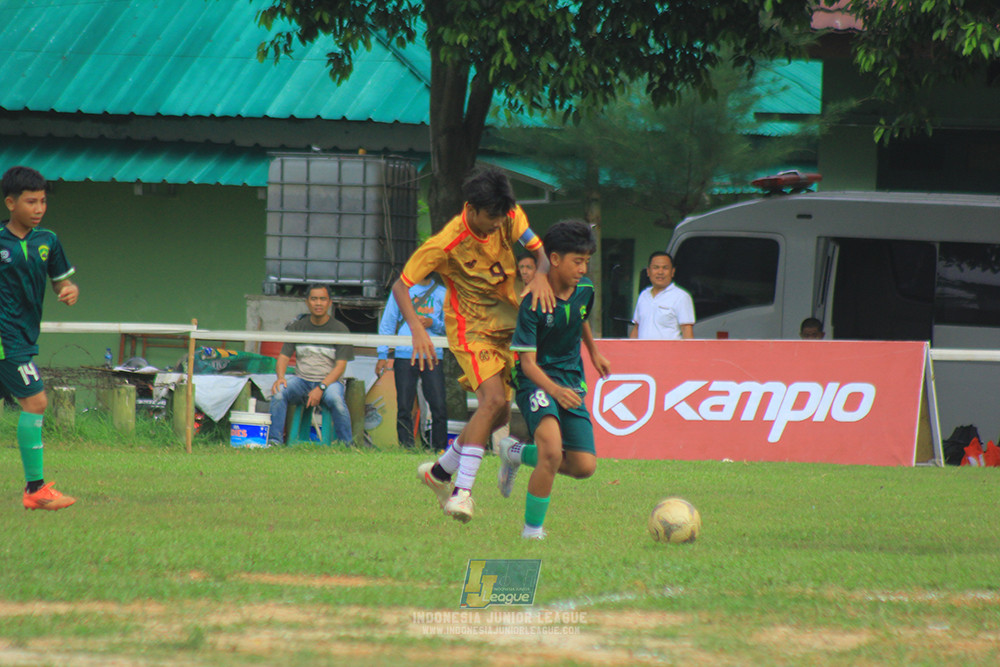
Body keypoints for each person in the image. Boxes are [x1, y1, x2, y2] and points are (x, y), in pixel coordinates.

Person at [393, 168, 554, 523]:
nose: (497, 227)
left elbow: (540, 254)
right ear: (471, 208)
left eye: (501, 220)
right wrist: (417, 329)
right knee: (494, 401)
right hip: (470, 327)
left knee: (496, 411)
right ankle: (462, 493)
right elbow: (400, 286)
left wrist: (540, 276)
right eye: (489, 220)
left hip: (510, 323)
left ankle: (439, 473)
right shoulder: (445, 243)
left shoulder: (510, 216)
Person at [497, 220, 611, 539]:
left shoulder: (585, 290)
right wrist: (555, 391)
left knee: (584, 466)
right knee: (550, 451)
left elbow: (581, 319)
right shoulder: (533, 300)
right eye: (578, 261)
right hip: (536, 381)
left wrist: (593, 353)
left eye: (587, 261)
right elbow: (527, 364)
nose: (583, 268)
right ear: (556, 259)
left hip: (570, 380)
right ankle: (532, 531)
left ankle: (515, 453)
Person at [1, 166, 79, 510]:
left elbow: (61, 281)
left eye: (43, 201)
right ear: (10, 203)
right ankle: (35, 490)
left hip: (24, 336)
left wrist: (69, 290)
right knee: (36, 403)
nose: (38, 208)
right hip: (7, 338)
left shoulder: (48, 240)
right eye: (31, 201)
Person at [269, 284, 354, 444]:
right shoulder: (297, 327)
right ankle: (274, 442)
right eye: (314, 299)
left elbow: (340, 367)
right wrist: (280, 378)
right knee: (279, 393)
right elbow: (283, 357)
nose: (318, 303)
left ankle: (347, 446)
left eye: (323, 299)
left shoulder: (340, 330)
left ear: (329, 302)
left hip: (330, 383)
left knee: (336, 400)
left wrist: (321, 388)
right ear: (307, 302)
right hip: (302, 380)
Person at [375, 276, 448, 450]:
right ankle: (406, 447)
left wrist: (433, 322)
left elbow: (450, 326)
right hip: (405, 353)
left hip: (432, 353)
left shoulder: (442, 293)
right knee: (404, 405)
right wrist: (382, 354)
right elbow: (388, 322)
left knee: (438, 404)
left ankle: (439, 450)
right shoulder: (402, 290)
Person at [629, 251, 695, 340]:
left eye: (665, 268)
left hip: (669, 353)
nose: (660, 272)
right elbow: (637, 327)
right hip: (643, 353)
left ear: (672, 272)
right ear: (648, 272)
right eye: (656, 268)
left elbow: (687, 330)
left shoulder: (681, 297)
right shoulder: (644, 295)